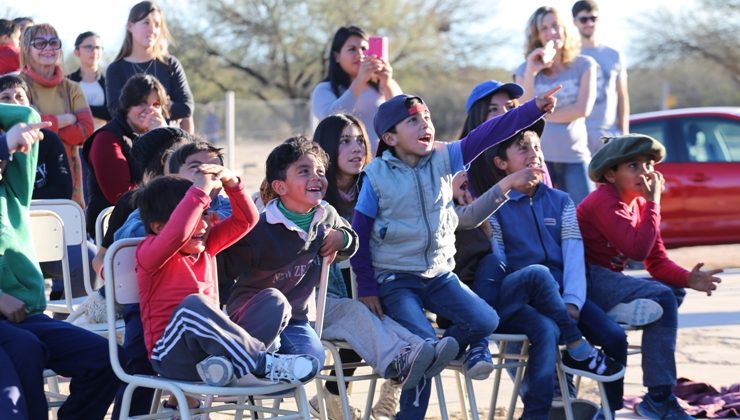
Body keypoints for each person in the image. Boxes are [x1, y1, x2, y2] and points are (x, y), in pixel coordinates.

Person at [350, 89, 557, 419]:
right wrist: (369, 288)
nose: (425, 125)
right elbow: (358, 234)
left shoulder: (445, 157)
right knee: (422, 346)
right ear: (390, 137)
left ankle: (443, 350)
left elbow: (490, 133)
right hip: (396, 279)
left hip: (439, 276)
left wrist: (534, 110)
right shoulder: (375, 176)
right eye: (413, 121)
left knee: (485, 319)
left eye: (427, 118)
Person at [465, 120, 626, 419]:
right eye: (523, 149)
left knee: (614, 336)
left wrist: (573, 301)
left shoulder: (561, 201)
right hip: (525, 298)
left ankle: (609, 410)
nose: (534, 154)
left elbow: (574, 255)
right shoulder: (495, 205)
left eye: (537, 147)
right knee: (547, 327)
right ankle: (544, 404)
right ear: (502, 163)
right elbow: (499, 259)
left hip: (564, 297)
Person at [135, 170, 319, 412]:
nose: (202, 223)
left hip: (213, 355)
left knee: (274, 300)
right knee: (193, 305)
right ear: (159, 227)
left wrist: (233, 186)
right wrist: (199, 191)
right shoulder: (149, 254)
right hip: (172, 355)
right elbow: (177, 232)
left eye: (204, 213)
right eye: (194, 216)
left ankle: (228, 365)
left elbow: (247, 221)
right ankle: (258, 363)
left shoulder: (206, 247)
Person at [312, 114, 456, 419]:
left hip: (378, 285)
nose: (356, 149)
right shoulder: (315, 195)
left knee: (400, 309)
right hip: (331, 296)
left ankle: (392, 392)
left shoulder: (378, 182)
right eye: (344, 141)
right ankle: (336, 395)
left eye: (360, 141)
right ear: (326, 148)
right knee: (363, 309)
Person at [577, 134, 722, 419]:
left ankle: (655, 392)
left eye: (648, 164)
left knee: (673, 291)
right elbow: (635, 248)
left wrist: (688, 279)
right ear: (610, 173)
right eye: (633, 165)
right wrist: (654, 203)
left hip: (609, 280)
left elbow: (655, 261)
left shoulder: (641, 205)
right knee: (663, 297)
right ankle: (659, 396)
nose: (645, 172)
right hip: (587, 280)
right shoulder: (603, 199)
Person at [0, 103, 119, 420]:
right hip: (9, 320)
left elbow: (27, 118)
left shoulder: (11, 192)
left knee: (106, 360)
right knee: (25, 351)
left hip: (23, 315)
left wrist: (9, 141)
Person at [223, 136, 359, 379]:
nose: (316, 176)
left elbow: (352, 238)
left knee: (312, 360)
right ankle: (239, 358)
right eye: (304, 171)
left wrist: (343, 238)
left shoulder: (326, 215)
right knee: (275, 301)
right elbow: (223, 270)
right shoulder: (259, 229)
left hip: (296, 319)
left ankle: (251, 366)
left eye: (319, 170)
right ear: (280, 187)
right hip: (253, 317)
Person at [515, 6, 597, 204]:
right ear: (537, 35)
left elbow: (582, 109)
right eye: (543, 29)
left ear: (565, 29)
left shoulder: (585, 65)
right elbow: (520, 114)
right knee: (548, 223)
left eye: (555, 26)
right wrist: (532, 72)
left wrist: (538, 113)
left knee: (584, 220)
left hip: (575, 157)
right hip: (538, 161)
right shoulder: (523, 70)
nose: (551, 32)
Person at [83, 73, 169, 238]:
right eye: (142, 103)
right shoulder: (107, 138)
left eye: (156, 104)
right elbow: (120, 194)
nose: (150, 110)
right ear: (128, 106)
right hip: (116, 230)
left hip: (154, 222)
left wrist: (164, 137)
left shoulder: (162, 135)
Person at [20, 23, 94, 208]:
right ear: (26, 48)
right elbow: (21, 128)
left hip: (68, 180)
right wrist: (64, 120)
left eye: (53, 43)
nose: (48, 48)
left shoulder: (72, 88)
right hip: (26, 179)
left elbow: (86, 131)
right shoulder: (16, 87)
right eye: (39, 43)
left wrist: (43, 124)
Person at [311, 25, 402, 153]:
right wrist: (360, 80)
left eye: (364, 48)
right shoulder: (325, 89)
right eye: (352, 49)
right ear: (336, 56)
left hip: (384, 162)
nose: (360, 55)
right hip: (344, 165)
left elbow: (403, 117)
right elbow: (331, 120)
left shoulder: (383, 85)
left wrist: (387, 83)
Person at [107, 1, 194, 132]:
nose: (153, 30)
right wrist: (165, 105)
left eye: (157, 25)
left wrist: (146, 108)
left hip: (167, 141)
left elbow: (186, 108)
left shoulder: (170, 65)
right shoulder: (115, 69)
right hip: (131, 145)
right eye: (146, 23)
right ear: (130, 26)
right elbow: (115, 110)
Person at [572, 0, 629, 155]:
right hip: (578, 133)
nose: (589, 23)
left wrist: (624, 133)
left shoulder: (614, 55)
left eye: (593, 18)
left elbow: (622, 96)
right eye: (584, 19)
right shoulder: (570, 56)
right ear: (575, 22)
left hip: (610, 133)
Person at [68, 31, 111, 129]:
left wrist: (80, 111)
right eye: (88, 47)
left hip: (102, 136)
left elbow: (111, 113)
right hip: (74, 137)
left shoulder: (109, 82)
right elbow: (64, 110)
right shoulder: (68, 82)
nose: (94, 51)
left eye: (98, 47)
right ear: (77, 52)